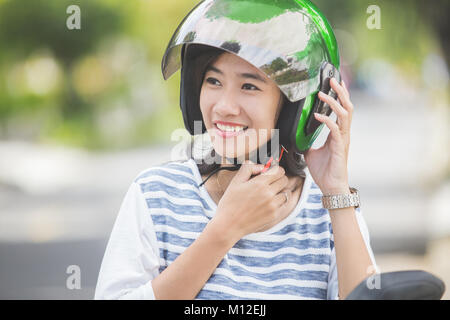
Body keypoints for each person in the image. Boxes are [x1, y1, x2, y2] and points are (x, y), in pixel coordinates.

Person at [94, 0, 379, 300]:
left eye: (249, 87)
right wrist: (224, 230)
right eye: (213, 81)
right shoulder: (157, 197)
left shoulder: (329, 214)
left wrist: (336, 190)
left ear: (294, 107)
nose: (225, 107)